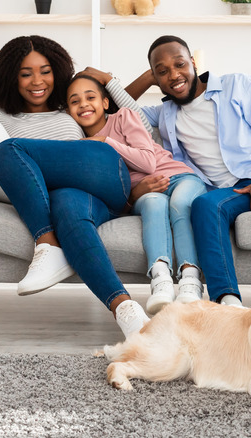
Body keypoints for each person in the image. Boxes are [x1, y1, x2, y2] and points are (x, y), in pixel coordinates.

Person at [0, 35, 150, 338]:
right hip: (72, 198)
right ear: (10, 76)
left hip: (103, 175)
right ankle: (127, 311)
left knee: (7, 151)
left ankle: (46, 243)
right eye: (24, 72)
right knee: (68, 211)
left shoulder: (69, 106)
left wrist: (110, 81)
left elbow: (141, 127)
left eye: (45, 71)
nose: (37, 81)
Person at [125, 35, 251, 308]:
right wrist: (148, 77)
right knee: (204, 205)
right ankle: (227, 301)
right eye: (162, 72)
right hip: (232, 192)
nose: (174, 75)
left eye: (179, 64)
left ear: (193, 63)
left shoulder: (240, 85)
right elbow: (112, 108)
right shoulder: (163, 114)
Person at [65, 74, 207, 315]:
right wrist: (135, 193)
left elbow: (148, 162)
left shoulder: (123, 118)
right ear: (68, 111)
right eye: (74, 101)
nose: (84, 104)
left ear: (105, 103)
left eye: (90, 97)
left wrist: (106, 142)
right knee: (153, 204)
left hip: (179, 177)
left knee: (180, 204)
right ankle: (160, 279)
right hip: (145, 191)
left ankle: (190, 281)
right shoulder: (80, 145)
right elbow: (110, 194)